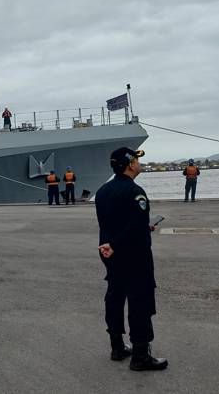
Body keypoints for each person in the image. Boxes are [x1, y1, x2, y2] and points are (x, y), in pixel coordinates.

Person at [96, 147, 168, 371]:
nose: (139, 163)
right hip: (134, 256)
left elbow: (112, 225)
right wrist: (141, 230)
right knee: (140, 302)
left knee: (115, 298)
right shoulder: (135, 191)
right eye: (136, 159)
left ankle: (116, 347)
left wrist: (111, 246)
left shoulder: (102, 191)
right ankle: (140, 355)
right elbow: (134, 228)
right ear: (130, 165)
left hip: (110, 253)